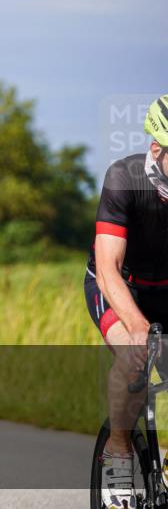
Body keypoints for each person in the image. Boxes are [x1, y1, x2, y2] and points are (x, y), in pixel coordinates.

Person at [87, 94, 168, 509]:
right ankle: (119, 456)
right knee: (135, 355)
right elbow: (107, 270)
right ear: (157, 149)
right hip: (121, 286)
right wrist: (139, 329)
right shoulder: (124, 178)